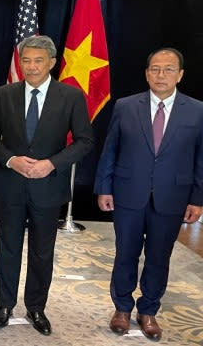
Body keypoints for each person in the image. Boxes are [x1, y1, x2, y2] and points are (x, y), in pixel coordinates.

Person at [0, 35, 93, 335]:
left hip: (49, 187)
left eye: (38, 60)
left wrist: (52, 163)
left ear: (52, 63)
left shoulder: (70, 97)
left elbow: (85, 140)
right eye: (26, 60)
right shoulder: (4, 93)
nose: (31, 66)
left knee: (42, 251)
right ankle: (4, 304)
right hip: (11, 185)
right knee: (7, 248)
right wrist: (10, 160)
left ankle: (36, 308)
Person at [94, 47, 203, 341]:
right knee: (125, 253)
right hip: (129, 193)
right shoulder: (126, 106)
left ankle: (149, 310)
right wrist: (104, 187)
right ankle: (122, 308)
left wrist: (197, 198)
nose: (161, 74)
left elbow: (200, 159)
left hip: (172, 197)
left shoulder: (197, 110)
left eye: (168, 69)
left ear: (180, 75)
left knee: (159, 257)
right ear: (146, 73)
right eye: (155, 68)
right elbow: (110, 150)